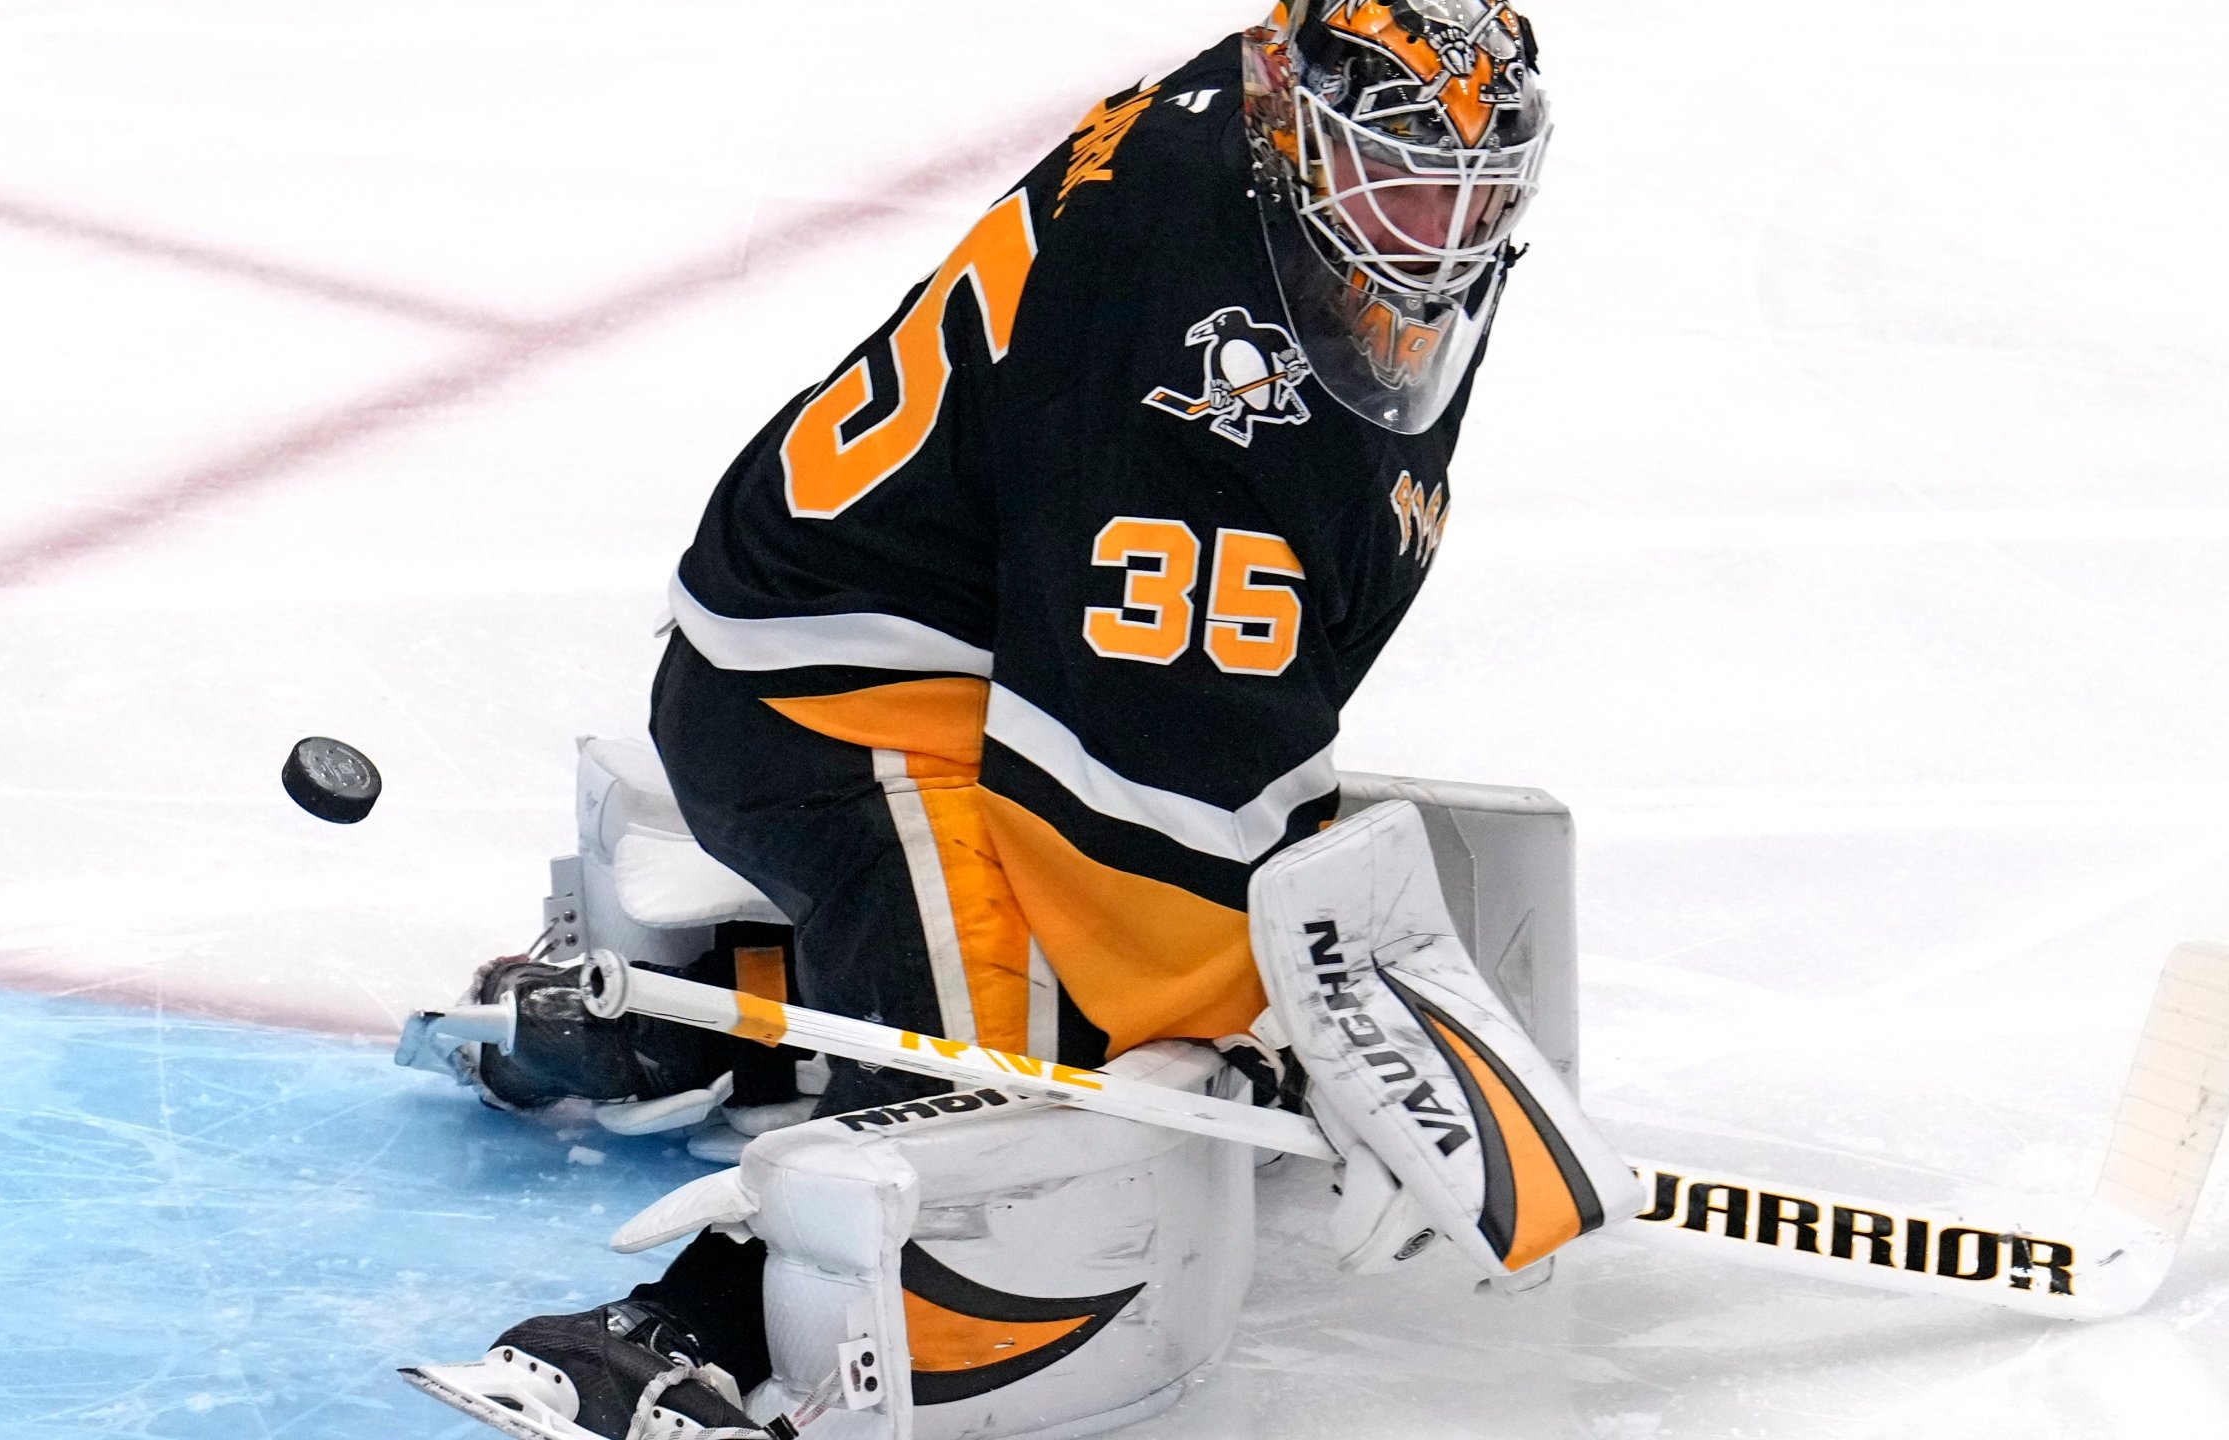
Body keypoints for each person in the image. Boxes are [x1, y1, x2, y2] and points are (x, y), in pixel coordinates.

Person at [410, 5, 1558, 1437]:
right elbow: (1138, 757)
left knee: (1131, 1046)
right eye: (1400, 170)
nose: (1439, 227)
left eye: (1479, 183)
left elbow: (1200, 658)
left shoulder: (1268, 158)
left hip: (965, 655)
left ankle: (743, 1002)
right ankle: (686, 1337)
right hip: (833, 712)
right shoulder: (1198, 352)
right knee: (1006, 1125)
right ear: (1290, 117)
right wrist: (1286, 1031)